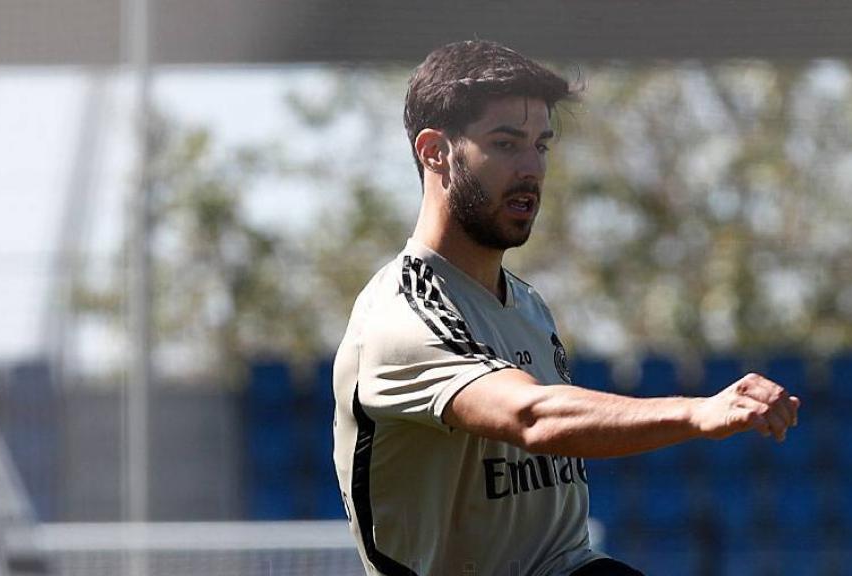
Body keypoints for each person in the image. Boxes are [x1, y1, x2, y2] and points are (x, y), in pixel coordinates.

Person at [332, 40, 800, 576]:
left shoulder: (527, 305)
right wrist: (698, 412)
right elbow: (530, 416)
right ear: (435, 151)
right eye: (506, 143)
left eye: (541, 145)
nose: (531, 168)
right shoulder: (402, 316)